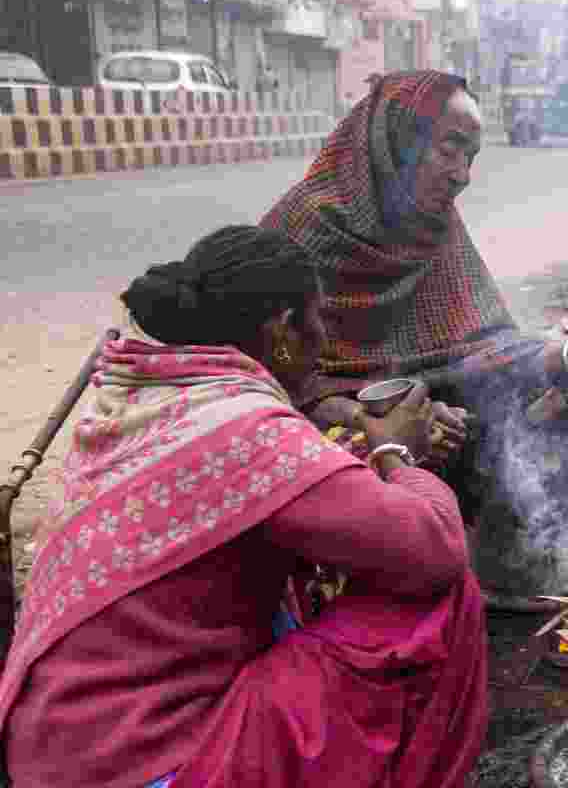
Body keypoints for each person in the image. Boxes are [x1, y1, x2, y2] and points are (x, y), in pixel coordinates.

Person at [0, 226, 489, 787]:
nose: (325, 337)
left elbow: (254, 494)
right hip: (146, 766)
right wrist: (396, 453)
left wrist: (361, 453)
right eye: (319, 318)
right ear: (283, 330)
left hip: (54, 754)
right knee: (437, 596)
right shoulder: (244, 428)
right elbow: (433, 547)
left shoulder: (143, 394)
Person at [261, 71, 568, 607]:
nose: (463, 174)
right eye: (450, 149)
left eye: (471, 156)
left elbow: (479, 347)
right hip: (334, 423)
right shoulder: (305, 227)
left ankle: (529, 558)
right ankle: (396, 599)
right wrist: (372, 417)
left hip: (431, 404)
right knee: (354, 454)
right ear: (396, 141)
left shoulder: (434, 225)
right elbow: (270, 372)